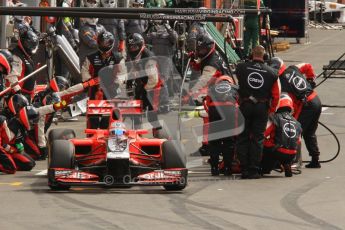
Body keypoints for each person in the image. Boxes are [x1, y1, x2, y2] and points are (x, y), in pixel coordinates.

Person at [235, 45, 280, 179]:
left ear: (251, 55)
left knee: (242, 137)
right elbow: (276, 95)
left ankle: (243, 168)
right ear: (265, 56)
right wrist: (271, 110)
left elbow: (237, 84)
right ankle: (254, 170)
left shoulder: (241, 68)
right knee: (258, 138)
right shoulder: (272, 73)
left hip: (245, 105)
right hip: (262, 107)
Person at [270, 57, 322, 168]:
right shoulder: (293, 68)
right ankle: (315, 159)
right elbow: (307, 65)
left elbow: (289, 103)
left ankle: (294, 161)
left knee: (295, 130)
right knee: (310, 132)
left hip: (306, 105)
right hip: (316, 99)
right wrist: (310, 80)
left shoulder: (281, 82)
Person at [188, 33, 231, 156]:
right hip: (219, 89)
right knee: (209, 117)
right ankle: (212, 145)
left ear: (209, 47)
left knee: (209, 116)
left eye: (203, 49)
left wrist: (191, 94)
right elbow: (200, 67)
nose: (201, 52)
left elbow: (203, 81)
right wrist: (193, 62)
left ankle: (208, 146)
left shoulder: (212, 62)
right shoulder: (210, 55)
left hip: (222, 92)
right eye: (199, 50)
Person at [125, 33, 166, 132]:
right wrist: (129, 81)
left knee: (151, 115)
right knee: (137, 109)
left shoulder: (148, 58)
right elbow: (135, 68)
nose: (132, 49)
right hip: (145, 83)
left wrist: (143, 90)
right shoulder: (138, 55)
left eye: (134, 46)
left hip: (155, 87)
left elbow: (154, 79)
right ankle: (137, 133)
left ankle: (160, 135)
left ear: (140, 45)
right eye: (130, 47)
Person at [262, 93, 302, 177]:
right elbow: (298, 141)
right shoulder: (297, 123)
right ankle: (286, 163)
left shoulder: (274, 118)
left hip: (277, 150)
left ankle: (265, 168)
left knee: (261, 142)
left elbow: (264, 133)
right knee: (283, 147)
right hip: (292, 154)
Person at [206, 75, 240, 176]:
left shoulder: (211, 89)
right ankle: (227, 168)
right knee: (228, 142)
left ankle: (214, 168)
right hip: (229, 110)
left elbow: (207, 102)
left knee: (214, 142)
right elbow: (239, 102)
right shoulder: (235, 88)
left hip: (214, 110)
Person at [81, 31, 123, 100]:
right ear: (98, 42)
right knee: (93, 107)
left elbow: (122, 74)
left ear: (111, 43)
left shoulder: (118, 58)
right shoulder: (90, 57)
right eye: (102, 42)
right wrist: (91, 81)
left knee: (113, 108)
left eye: (107, 43)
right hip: (94, 88)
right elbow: (84, 71)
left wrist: (116, 83)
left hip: (112, 88)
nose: (104, 45)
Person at [146, 18, 178, 97]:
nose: (159, 26)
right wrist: (148, 28)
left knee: (165, 78)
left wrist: (167, 26)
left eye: (161, 23)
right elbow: (143, 39)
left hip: (166, 59)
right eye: (158, 23)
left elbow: (175, 38)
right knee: (155, 77)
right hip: (155, 58)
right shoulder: (154, 35)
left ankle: (167, 96)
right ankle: (158, 96)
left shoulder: (169, 34)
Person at [7, 30, 39, 102]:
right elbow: (12, 76)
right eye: (30, 44)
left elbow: (31, 75)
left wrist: (34, 91)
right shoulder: (16, 55)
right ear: (24, 42)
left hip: (27, 97)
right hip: (17, 98)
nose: (31, 47)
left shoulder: (27, 56)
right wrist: (18, 92)